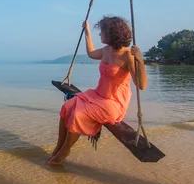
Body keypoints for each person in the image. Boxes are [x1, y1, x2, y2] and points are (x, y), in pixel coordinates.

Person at [46, 15, 148, 166]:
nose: (99, 34)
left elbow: (141, 85)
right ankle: (59, 146)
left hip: (113, 102)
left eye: (102, 32)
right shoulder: (106, 50)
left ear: (112, 33)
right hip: (97, 94)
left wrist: (140, 60)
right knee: (67, 107)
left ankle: (65, 150)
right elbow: (91, 53)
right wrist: (87, 32)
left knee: (78, 115)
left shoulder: (127, 55)